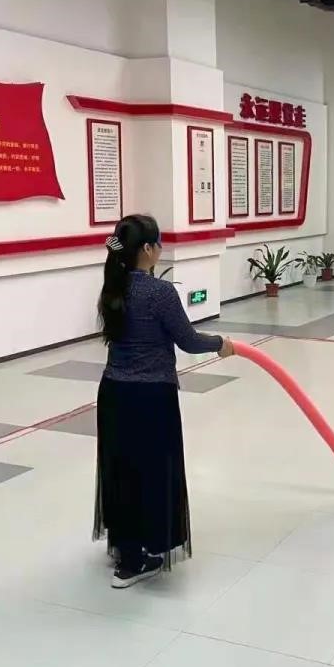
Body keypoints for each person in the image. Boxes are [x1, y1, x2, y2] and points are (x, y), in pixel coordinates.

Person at [93, 214, 234, 589]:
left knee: (122, 470)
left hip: (114, 393)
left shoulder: (112, 287)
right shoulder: (159, 292)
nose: (160, 249)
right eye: (157, 243)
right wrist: (221, 344)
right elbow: (188, 340)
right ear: (147, 249)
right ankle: (141, 558)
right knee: (153, 472)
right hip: (151, 397)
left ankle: (126, 547)